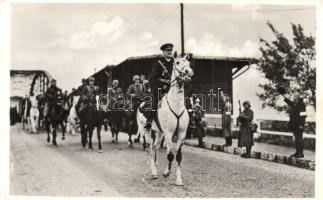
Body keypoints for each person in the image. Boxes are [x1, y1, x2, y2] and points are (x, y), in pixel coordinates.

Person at [144, 43, 175, 130]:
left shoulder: (175, 63)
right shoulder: (158, 64)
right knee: (155, 102)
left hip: (172, 88)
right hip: (160, 89)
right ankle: (149, 121)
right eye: (167, 50)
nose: (169, 52)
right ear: (163, 52)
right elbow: (152, 77)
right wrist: (163, 82)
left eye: (171, 50)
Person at [283, 93, 307, 158]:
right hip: (295, 125)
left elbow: (303, 115)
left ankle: (300, 153)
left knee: (299, 139)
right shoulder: (296, 103)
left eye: (294, 96)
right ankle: (297, 152)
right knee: (297, 139)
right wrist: (284, 96)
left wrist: (301, 124)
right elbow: (290, 103)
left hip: (299, 125)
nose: (293, 97)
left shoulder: (301, 104)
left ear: (297, 97)